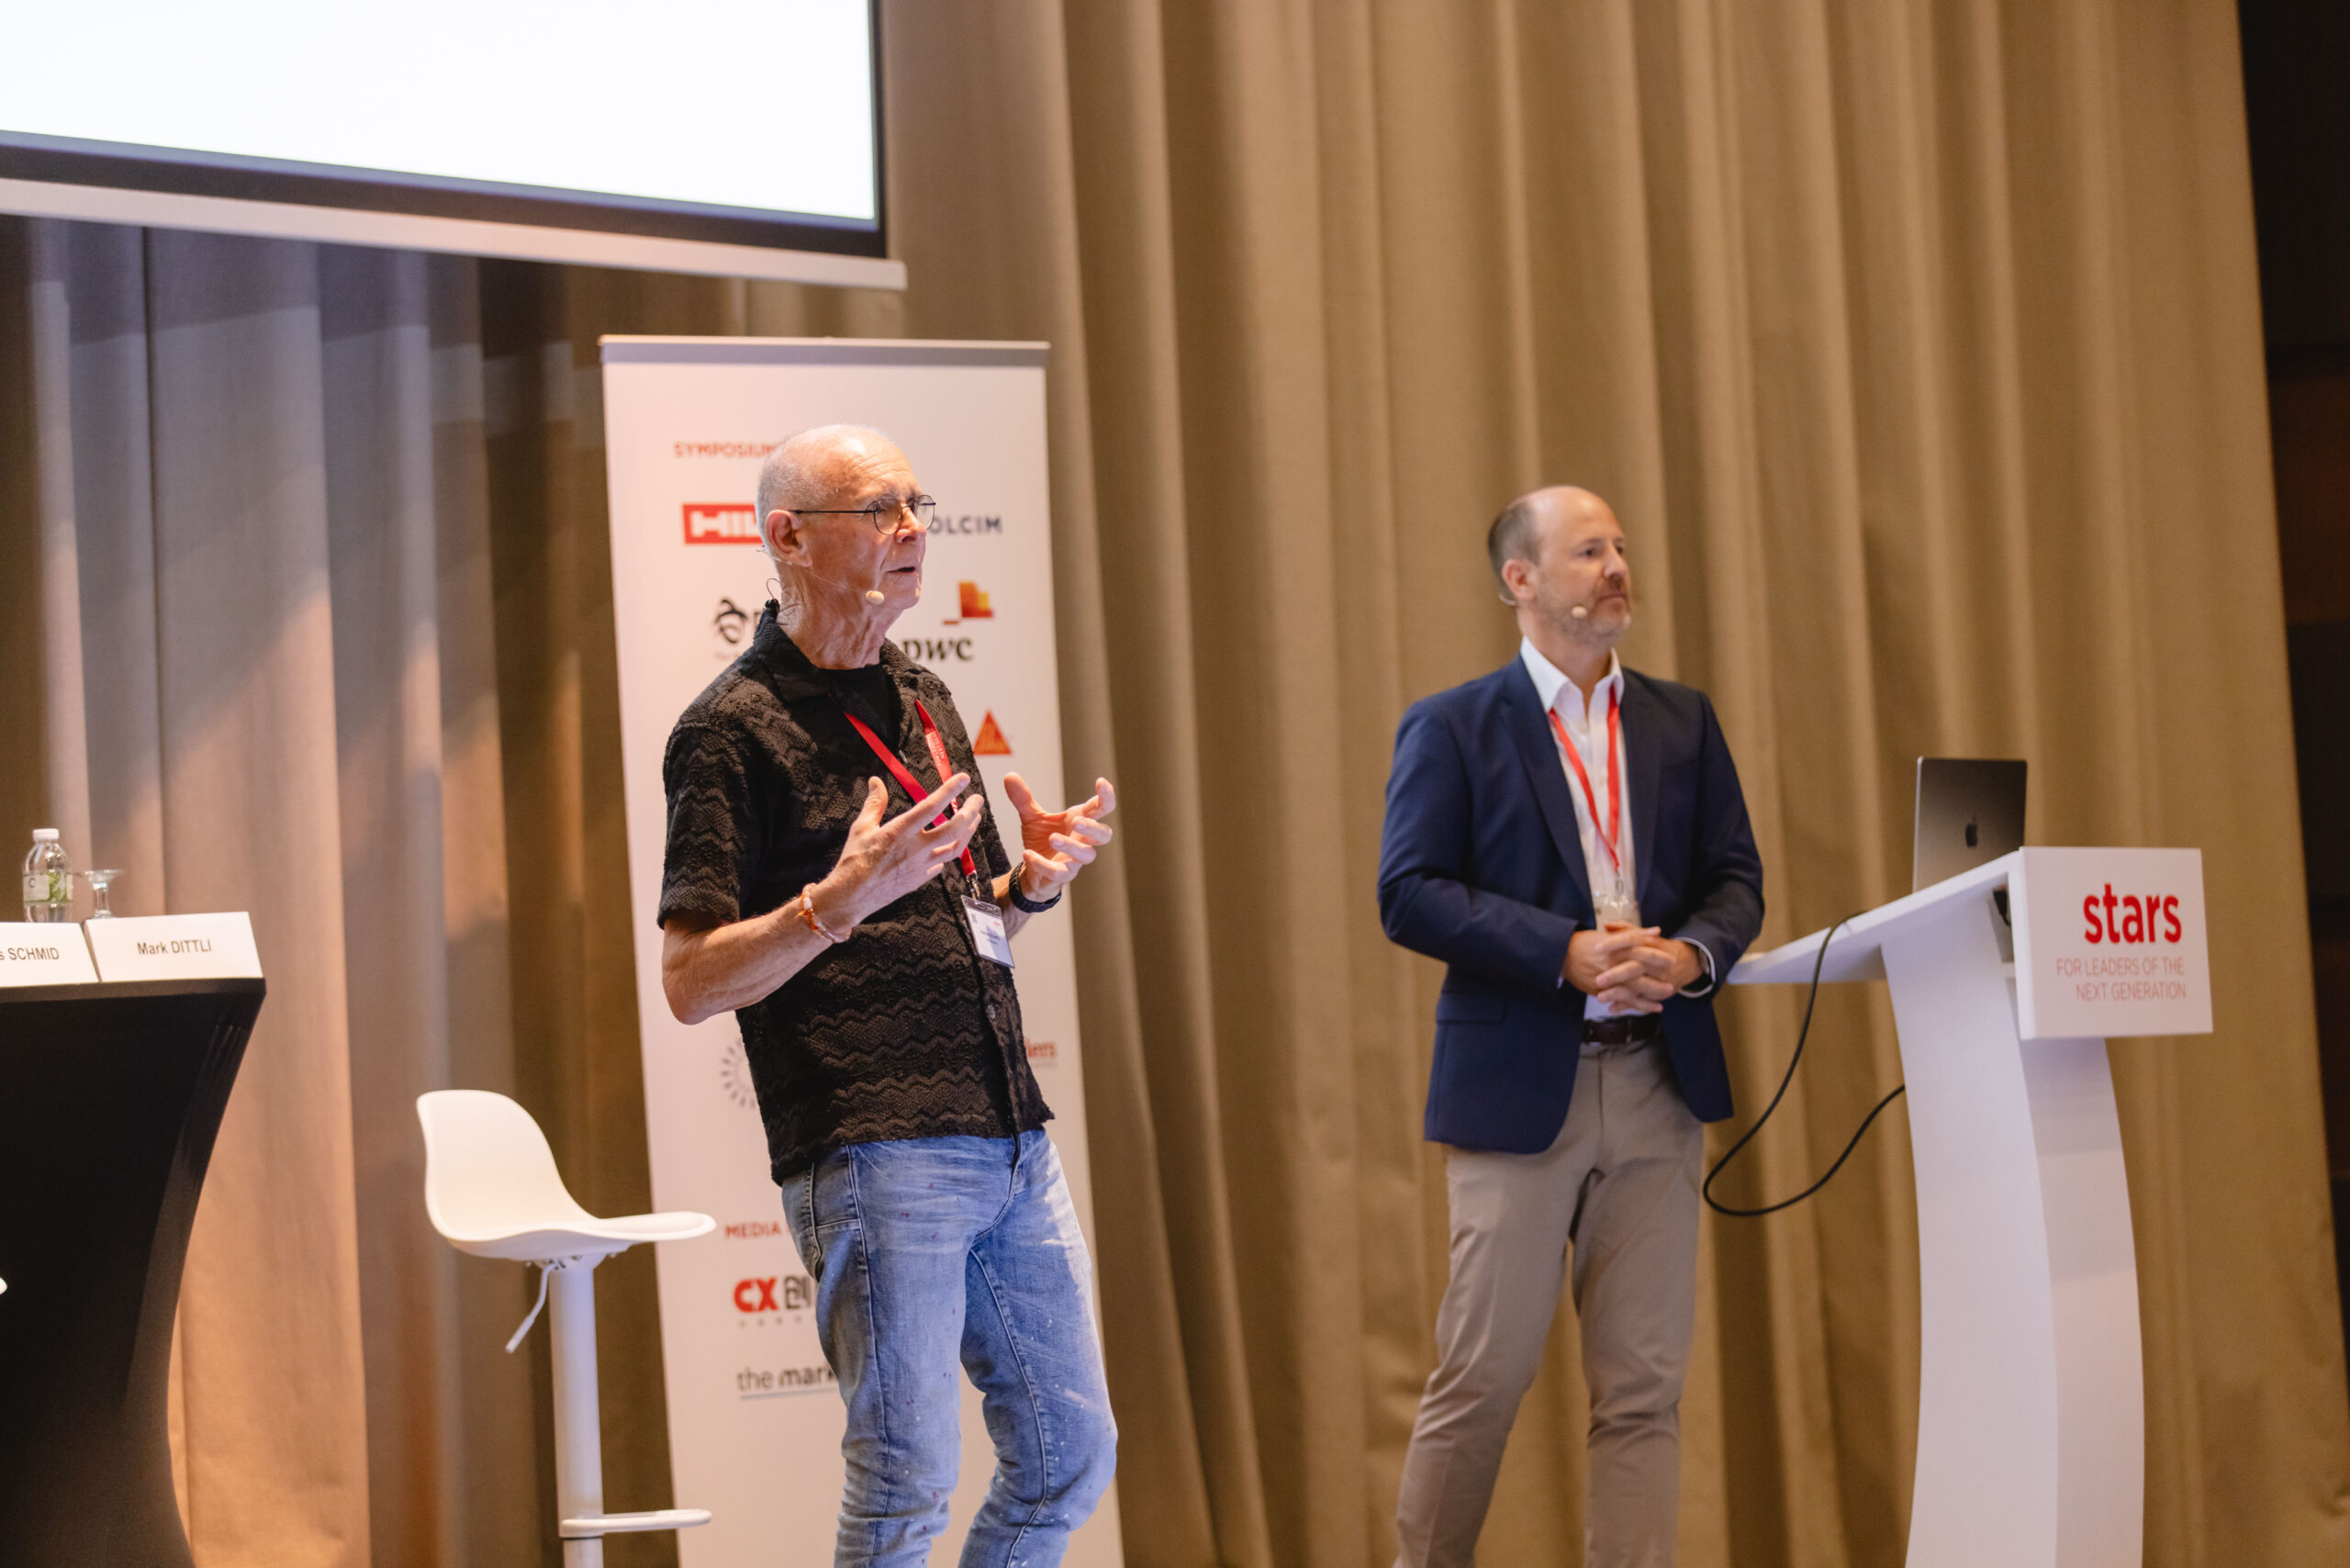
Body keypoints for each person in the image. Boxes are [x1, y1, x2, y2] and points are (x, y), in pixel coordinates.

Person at [657, 424, 1119, 1567]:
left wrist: (1030, 882)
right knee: (907, 1483)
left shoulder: (922, 693)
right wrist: (836, 899)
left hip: (1009, 1133)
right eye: (878, 509)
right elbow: (690, 979)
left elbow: (967, 918)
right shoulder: (727, 730)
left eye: (917, 503)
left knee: (1068, 1455)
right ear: (789, 538)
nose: (912, 528)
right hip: (875, 1145)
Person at [1377, 486, 1764, 1568]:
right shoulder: (1455, 725)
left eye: (1619, 547)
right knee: (1482, 1376)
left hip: (1658, 1083)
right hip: (1518, 1092)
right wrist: (1562, 949)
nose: (1615, 566)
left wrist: (1691, 956)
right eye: (1588, 550)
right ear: (1521, 579)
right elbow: (1407, 891)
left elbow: (1735, 880)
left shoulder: (1681, 720)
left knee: (1643, 1390)